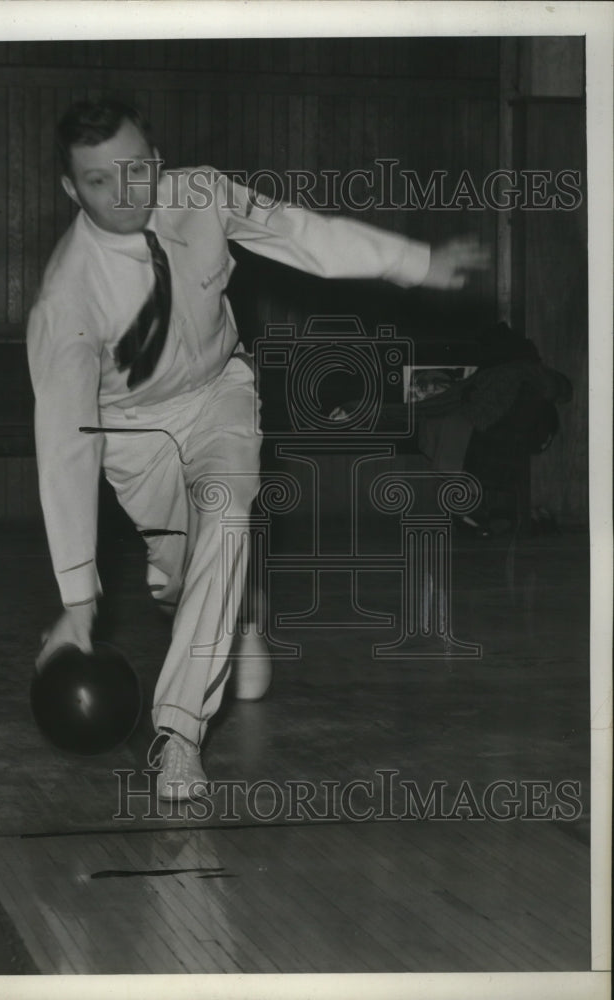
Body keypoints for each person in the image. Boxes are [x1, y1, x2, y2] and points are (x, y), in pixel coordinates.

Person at [27, 98, 489, 801]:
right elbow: (63, 443)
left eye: (134, 170)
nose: (123, 193)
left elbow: (301, 234)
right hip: (128, 431)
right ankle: (236, 607)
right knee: (179, 580)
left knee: (227, 514)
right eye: (97, 182)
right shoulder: (66, 300)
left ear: (157, 162)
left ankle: (178, 735)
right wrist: (77, 595)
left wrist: (414, 262)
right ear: (69, 189)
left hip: (218, 396)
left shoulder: (203, 194)